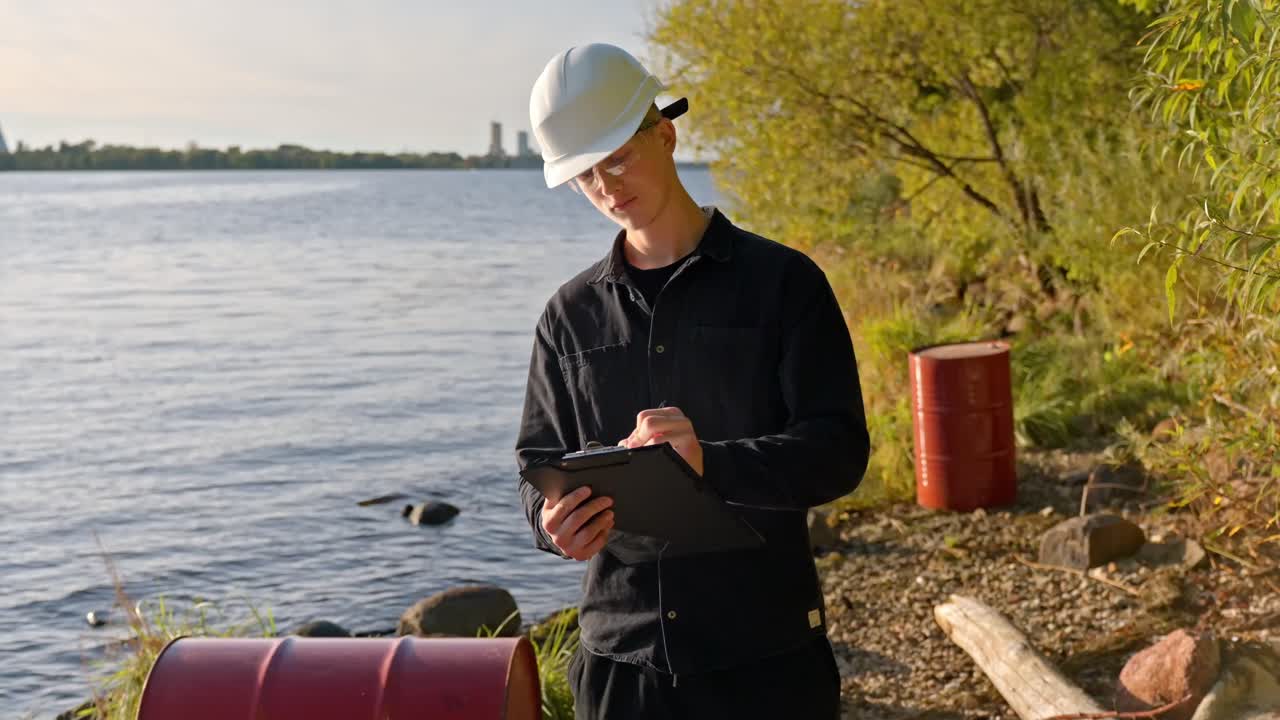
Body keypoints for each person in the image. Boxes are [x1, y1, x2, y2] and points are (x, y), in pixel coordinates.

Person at [516, 43, 870, 719]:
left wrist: (712, 462)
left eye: (617, 159)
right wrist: (551, 523)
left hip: (765, 662)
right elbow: (537, 464)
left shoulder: (785, 285)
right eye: (587, 176)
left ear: (666, 132)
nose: (608, 188)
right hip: (621, 667)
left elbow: (838, 451)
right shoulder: (567, 316)